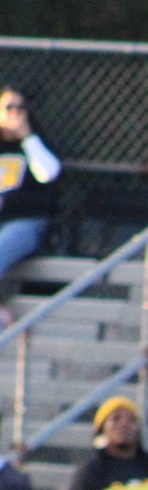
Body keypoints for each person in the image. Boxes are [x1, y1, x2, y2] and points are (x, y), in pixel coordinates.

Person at [0, 85, 62, 323]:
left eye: (21, 108)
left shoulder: (35, 144)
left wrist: (27, 137)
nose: (15, 113)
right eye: (9, 108)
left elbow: (48, 173)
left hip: (25, 221)